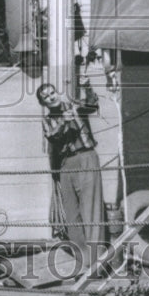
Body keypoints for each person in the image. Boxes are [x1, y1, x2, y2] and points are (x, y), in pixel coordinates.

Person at [36, 82, 106, 270]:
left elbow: (92, 106)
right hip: (66, 165)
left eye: (52, 92)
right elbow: (52, 136)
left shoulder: (74, 107)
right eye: (46, 97)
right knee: (72, 216)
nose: (52, 97)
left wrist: (87, 87)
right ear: (43, 103)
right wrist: (64, 122)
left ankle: (97, 264)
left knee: (91, 212)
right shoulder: (47, 120)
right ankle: (83, 262)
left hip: (86, 158)